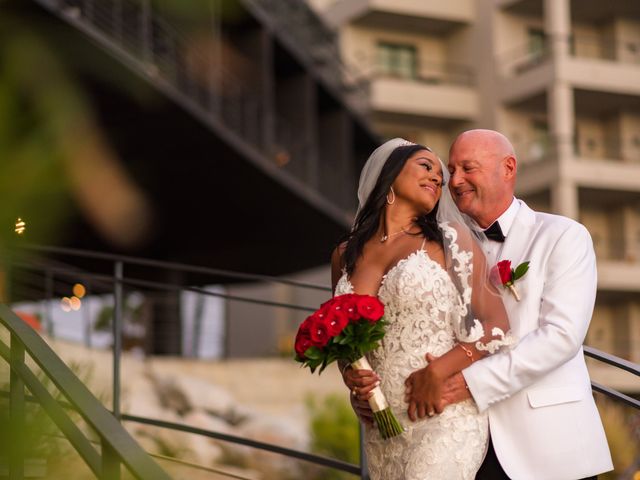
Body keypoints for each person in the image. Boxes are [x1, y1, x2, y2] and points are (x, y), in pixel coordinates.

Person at [404, 129, 613, 479]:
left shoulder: (563, 236)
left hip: (549, 446)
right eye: (451, 170)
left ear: (509, 168)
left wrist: (470, 382)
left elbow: (561, 337)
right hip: (463, 442)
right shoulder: (440, 245)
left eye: (467, 168)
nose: (455, 181)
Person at [332, 138, 513, 479]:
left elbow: (497, 326)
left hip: (444, 413)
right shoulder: (345, 254)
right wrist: (352, 379)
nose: (437, 178)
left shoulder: (449, 240)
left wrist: (439, 370)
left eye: (439, 177)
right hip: (382, 423)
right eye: (425, 166)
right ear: (389, 176)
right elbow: (342, 340)